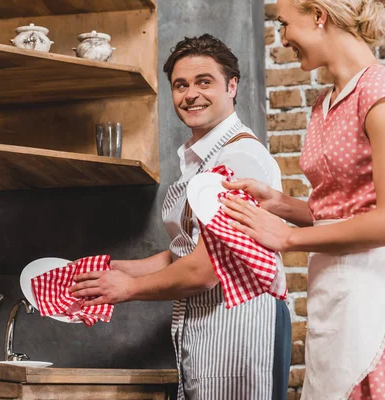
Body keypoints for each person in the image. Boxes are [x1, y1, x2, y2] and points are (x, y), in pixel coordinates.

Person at [219, 1, 385, 399]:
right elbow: (342, 210)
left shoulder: (381, 93)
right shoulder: (326, 101)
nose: (283, 36)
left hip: (376, 291)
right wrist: (280, 203)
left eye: (286, 24)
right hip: (334, 290)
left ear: (319, 16)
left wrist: (287, 239)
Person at [70, 34, 292, 400]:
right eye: (180, 85)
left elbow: (204, 271)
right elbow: (183, 255)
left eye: (204, 82)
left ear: (232, 86)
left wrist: (128, 289)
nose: (191, 94)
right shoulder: (200, 157)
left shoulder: (239, 159)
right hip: (208, 325)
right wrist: (112, 271)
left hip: (243, 328)